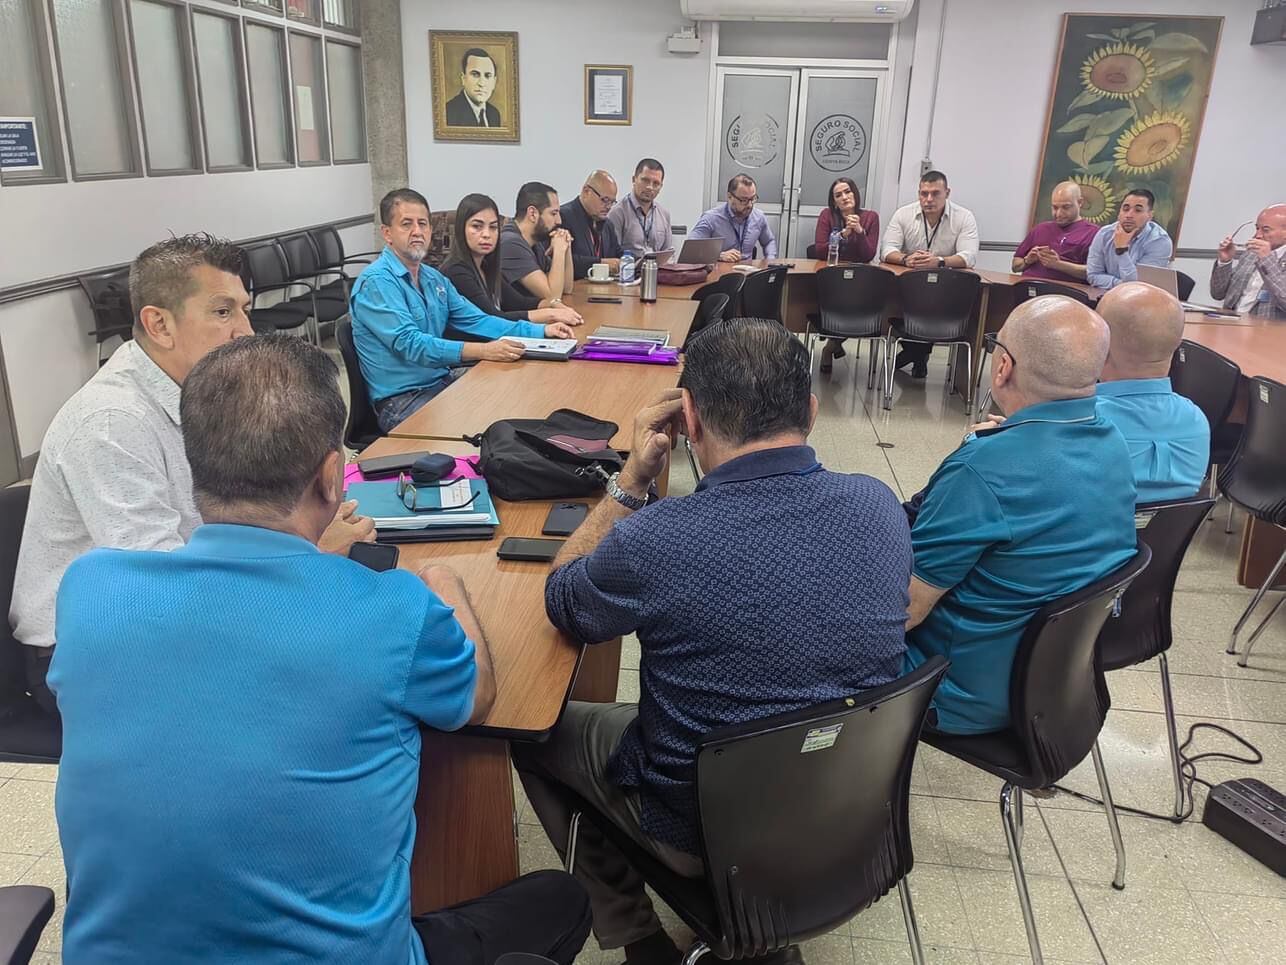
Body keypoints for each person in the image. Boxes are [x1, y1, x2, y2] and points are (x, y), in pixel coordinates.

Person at [49, 335, 591, 965]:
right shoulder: (395, 611)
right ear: (334, 477)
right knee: (559, 898)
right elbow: (476, 698)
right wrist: (443, 585)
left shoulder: (90, 589)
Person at [512, 318, 912, 965]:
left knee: (534, 732)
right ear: (810, 410)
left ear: (688, 417)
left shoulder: (660, 537)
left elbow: (564, 598)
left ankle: (639, 940)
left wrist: (630, 480)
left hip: (704, 832)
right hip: (851, 814)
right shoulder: (878, 507)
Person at [9, 233, 373, 716]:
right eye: (223, 312)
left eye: (245, 309)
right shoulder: (111, 423)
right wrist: (305, 553)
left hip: (181, 610)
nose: (245, 331)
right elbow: (163, 590)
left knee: (357, 647)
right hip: (87, 654)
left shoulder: (196, 389)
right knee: (330, 693)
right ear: (159, 324)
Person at [904, 296, 1137, 734]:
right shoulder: (1116, 445)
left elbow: (905, 610)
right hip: (1057, 692)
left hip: (952, 693)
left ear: (1004, 366)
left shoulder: (982, 471)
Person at [350, 188, 577, 433]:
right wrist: (484, 350)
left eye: (423, 224)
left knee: (521, 399)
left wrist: (542, 331)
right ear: (387, 233)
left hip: (440, 381)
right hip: (403, 401)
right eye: (406, 224)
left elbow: (481, 320)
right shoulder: (376, 283)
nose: (417, 232)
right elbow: (411, 344)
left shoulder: (432, 279)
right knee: (493, 431)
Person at [1094, 282, 1209, 501]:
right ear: (1176, 346)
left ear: (1101, 346)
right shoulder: (1196, 419)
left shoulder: (1079, 421)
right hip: (1167, 535)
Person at [881, 170, 980, 377]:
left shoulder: (964, 217)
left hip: (946, 292)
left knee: (933, 310)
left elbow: (969, 256)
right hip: (909, 289)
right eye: (923, 193)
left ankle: (914, 353)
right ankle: (918, 354)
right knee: (910, 308)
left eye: (935, 193)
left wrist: (940, 262)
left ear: (947, 192)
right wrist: (906, 259)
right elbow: (887, 249)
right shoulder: (903, 214)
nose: (928, 199)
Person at [441, 192, 584, 326]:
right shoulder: (456, 271)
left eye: (493, 227)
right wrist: (550, 315)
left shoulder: (485, 265)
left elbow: (518, 302)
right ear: (461, 229)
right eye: (477, 226)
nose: (486, 234)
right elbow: (491, 318)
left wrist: (552, 304)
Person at [814, 176, 881, 371]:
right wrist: (843, 235)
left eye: (848, 192)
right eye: (838, 195)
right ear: (833, 201)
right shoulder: (827, 215)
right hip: (833, 278)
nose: (844, 197)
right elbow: (819, 250)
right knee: (836, 301)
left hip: (860, 279)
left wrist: (859, 231)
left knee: (856, 305)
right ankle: (833, 343)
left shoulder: (870, 217)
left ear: (855, 194)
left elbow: (869, 254)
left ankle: (831, 346)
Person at [500, 181, 575, 302]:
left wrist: (566, 246)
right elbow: (552, 297)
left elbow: (567, 288)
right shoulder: (511, 244)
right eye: (553, 213)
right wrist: (559, 251)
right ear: (533, 214)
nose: (559, 221)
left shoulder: (534, 242)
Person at [1012, 181, 1099, 282]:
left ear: (1080, 203)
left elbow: (1094, 272)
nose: (1059, 213)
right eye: (1055, 207)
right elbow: (1015, 266)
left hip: (1065, 294)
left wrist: (1058, 264)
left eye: (1066, 207)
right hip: (1029, 289)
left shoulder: (1094, 233)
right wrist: (1027, 260)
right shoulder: (1040, 229)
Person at [1086, 188, 1173, 290]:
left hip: (1142, 301)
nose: (1129, 215)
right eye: (1125, 209)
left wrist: (1121, 250)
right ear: (1119, 213)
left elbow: (1137, 288)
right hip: (1105, 296)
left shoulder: (1159, 241)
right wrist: (1120, 284)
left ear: (1150, 216)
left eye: (1138, 210)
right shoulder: (1104, 234)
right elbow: (1093, 275)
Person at [1211, 203, 1286, 318]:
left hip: (1268, 330)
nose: (1257, 235)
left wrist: (1266, 259)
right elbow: (1217, 294)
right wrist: (1225, 262)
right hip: (1231, 322)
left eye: (1266, 230)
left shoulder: (1262, 254)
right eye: (1257, 228)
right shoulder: (1250, 254)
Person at [688, 174, 778, 262]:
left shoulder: (759, 217)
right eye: (744, 200)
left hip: (748, 274)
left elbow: (769, 241)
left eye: (753, 199)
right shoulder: (711, 218)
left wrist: (770, 261)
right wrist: (718, 255)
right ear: (730, 197)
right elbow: (691, 249)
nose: (750, 205)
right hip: (719, 274)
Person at [559, 171, 624, 279]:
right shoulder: (563, 217)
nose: (608, 207)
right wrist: (600, 263)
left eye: (612, 202)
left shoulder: (607, 225)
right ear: (586, 192)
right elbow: (561, 260)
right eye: (605, 200)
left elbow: (618, 254)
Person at [606, 158, 674, 257]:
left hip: (657, 270)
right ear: (634, 179)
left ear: (661, 186)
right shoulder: (617, 212)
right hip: (629, 270)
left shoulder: (664, 214)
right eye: (645, 180)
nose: (650, 187)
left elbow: (667, 254)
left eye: (656, 183)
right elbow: (612, 255)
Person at [444, 47, 502, 127]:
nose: (481, 83)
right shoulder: (448, 112)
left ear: (494, 82)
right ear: (463, 78)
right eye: (475, 74)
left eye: (488, 76)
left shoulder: (494, 114)